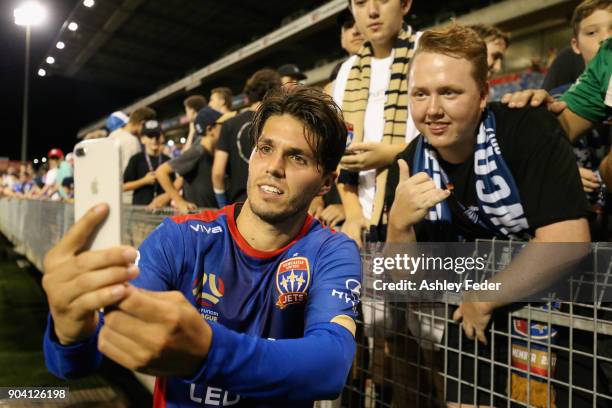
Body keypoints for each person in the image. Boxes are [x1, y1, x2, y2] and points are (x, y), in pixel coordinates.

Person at [42, 87, 360, 408]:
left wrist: (208, 351)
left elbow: (331, 365)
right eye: (265, 148)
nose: (274, 166)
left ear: (326, 182)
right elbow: (85, 357)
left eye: (297, 157)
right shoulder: (182, 237)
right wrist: (71, 334)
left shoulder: (332, 250)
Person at [384, 24, 590, 407]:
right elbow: (405, 280)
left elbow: (568, 242)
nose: (433, 110)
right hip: (475, 314)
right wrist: (399, 224)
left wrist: (485, 297)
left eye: (449, 93)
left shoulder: (526, 126)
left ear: (482, 95)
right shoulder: (410, 162)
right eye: (421, 94)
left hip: (561, 311)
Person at [332, 0, 420, 248]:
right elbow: (341, 151)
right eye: (360, 3)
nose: (372, 11)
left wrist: (391, 154)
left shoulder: (427, 49)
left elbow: (454, 137)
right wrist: (352, 214)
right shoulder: (348, 71)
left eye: (382, 0)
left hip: (422, 217)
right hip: (366, 225)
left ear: (404, 4)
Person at [212, 69, 281, 207]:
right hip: (271, 203)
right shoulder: (280, 123)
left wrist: (223, 206)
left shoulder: (229, 124)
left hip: (238, 206)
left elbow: (217, 173)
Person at [155, 107, 225, 213]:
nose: (226, 128)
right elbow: (161, 171)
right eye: (222, 125)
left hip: (209, 217)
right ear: (210, 129)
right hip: (198, 219)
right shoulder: (198, 151)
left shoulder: (211, 152)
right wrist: (179, 201)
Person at [122, 120, 171, 206]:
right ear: (142, 139)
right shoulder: (136, 159)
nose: (154, 140)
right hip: (141, 212)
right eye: (150, 136)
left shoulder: (167, 160)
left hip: (164, 211)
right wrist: (144, 181)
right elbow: (123, 187)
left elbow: (175, 185)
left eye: (157, 136)